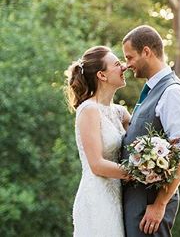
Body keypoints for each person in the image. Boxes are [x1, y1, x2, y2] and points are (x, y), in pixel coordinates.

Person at [121, 25, 180, 236]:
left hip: (151, 204)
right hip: (136, 201)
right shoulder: (151, 91)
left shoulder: (172, 92)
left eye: (129, 57)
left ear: (147, 51)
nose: (127, 65)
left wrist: (160, 204)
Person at [66, 46, 131, 237]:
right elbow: (96, 165)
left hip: (116, 197)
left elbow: (141, 137)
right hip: (97, 199)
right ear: (102, 75)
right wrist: (138, 172)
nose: (124, 67)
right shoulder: (88, 110)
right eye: (118, 64)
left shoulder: (118, 112)